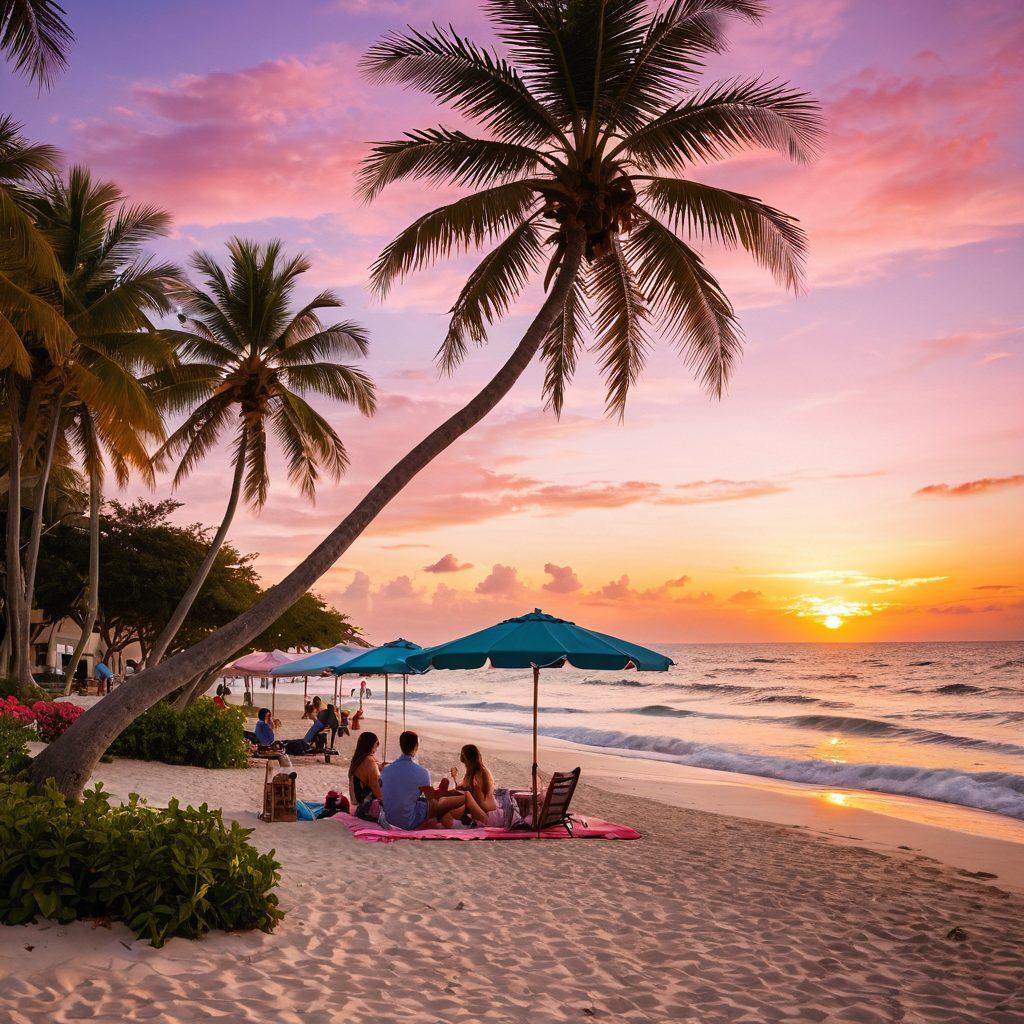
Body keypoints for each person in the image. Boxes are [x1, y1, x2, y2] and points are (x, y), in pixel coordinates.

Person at [380, 731, 465, 830]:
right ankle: (446, 823)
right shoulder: (422, 772)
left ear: (400, 745)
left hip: (388, 819)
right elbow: (431, 800)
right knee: (436, 803)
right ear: (416, 746)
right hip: (406, 822)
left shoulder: (386, 770)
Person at [451, 744, 504, 827]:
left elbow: (478, 801)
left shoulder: (479, 773)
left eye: (463, 758)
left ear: (468, 759)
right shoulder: (471, 773)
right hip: (483, 813)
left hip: (488, 817)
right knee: (458, 796)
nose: (464, 763)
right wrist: (454, 777)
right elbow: (459, 788)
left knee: (465, 796)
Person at [348, 731, 384, 819]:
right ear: (370, 745)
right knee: (381, 782)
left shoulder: (358, 758)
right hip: (363, 804)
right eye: (377, 744)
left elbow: (365, 770)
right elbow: (375, 786)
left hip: (355, 799)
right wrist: (384, 804)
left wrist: (378, 766)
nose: (377, 746)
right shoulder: (369, 761)